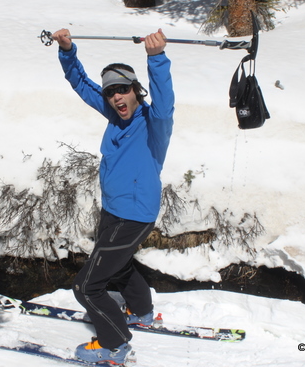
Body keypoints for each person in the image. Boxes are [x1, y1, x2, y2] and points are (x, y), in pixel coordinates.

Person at [51, 28, 174, 365]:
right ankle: (141, 311)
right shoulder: (113, 116)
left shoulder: (154, 123)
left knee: (87, 287)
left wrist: (156, 58)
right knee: (118, 268)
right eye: (111, 93)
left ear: (136, 90)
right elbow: (82, 84)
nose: (117, 98)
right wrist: (67, 50)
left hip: (134, 215)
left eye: (123, 90)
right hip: (114, 210)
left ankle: (115, 345)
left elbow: (165, 103)